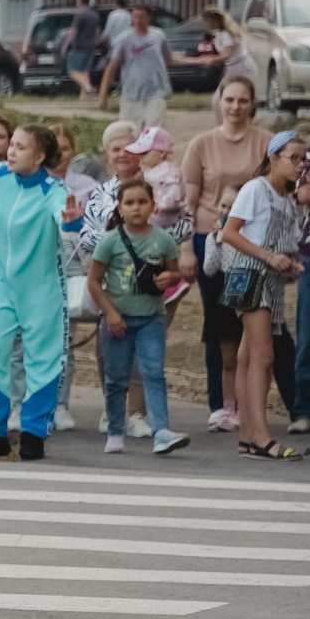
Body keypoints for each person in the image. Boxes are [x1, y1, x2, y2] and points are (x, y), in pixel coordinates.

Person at [0, 124, 78, 461]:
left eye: (20, 147)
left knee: (43, 362)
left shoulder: (52, 189)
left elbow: (67, 219)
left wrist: (71, 220)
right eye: (11, 145)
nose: (10, 152)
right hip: (2, 285)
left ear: (40, 155)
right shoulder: (0, 174)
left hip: (42, 289)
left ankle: (33, 433)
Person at [216, 132, 309, 460]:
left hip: (270, 281)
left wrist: (287, 265)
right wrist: (269, 258)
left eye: (304, 160)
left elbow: (274, 242)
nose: (300, 165)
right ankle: (260, 436)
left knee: (247, 358)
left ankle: (247, 436)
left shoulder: (287, 199)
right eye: (293, 158)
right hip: (250, 276)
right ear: (273, 157)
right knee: (263, 357)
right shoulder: (256, 188)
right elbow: (229, 232)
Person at [87, 178, 194, 456]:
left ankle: (161, 432)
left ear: (153, 206)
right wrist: (109, 314)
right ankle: (114, 431)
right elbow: (94, 281)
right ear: (120, 208)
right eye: (130, 203)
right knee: (116, 378)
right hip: (118, 320)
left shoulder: (163, 239)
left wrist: (170, 277)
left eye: (142, 202)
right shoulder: (110, 241)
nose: (137, 208)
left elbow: (175, 273)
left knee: (153, 373)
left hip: (151, 319)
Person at [182, 75, 265, 430]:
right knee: (218, 322)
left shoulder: (265, 142)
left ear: (252, 103)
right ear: (219, 101)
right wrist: (186, 247)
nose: (234, 107)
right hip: (209, 240)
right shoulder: (201, 144)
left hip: (255, 242)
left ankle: (252, 401)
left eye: (242, 101)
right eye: (228, 100)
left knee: (258, 323)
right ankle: (220, 404)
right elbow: (187, 201)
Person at [102, 2, 172, 127]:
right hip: (131, 94)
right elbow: (111, 67)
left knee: (152, 131)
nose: (138, 20)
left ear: (149, 18)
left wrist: (194, 60)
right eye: (135, 17)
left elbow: (168, 60)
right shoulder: (124, 39)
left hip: (156, 92)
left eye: (142, 17)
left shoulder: (158, 36)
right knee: (130, 131)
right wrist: (103, 95)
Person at [65, 0, 104, 101]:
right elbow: (97, 31)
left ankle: (89, 88)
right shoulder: (94, 15)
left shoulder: (80, 14)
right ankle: (84, 97)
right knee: (84, 71)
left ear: (80, 1)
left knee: (73, 72)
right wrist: (96, 42)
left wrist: (66, 45)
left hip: (79, 46)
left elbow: (73, 31)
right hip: (91, 47)